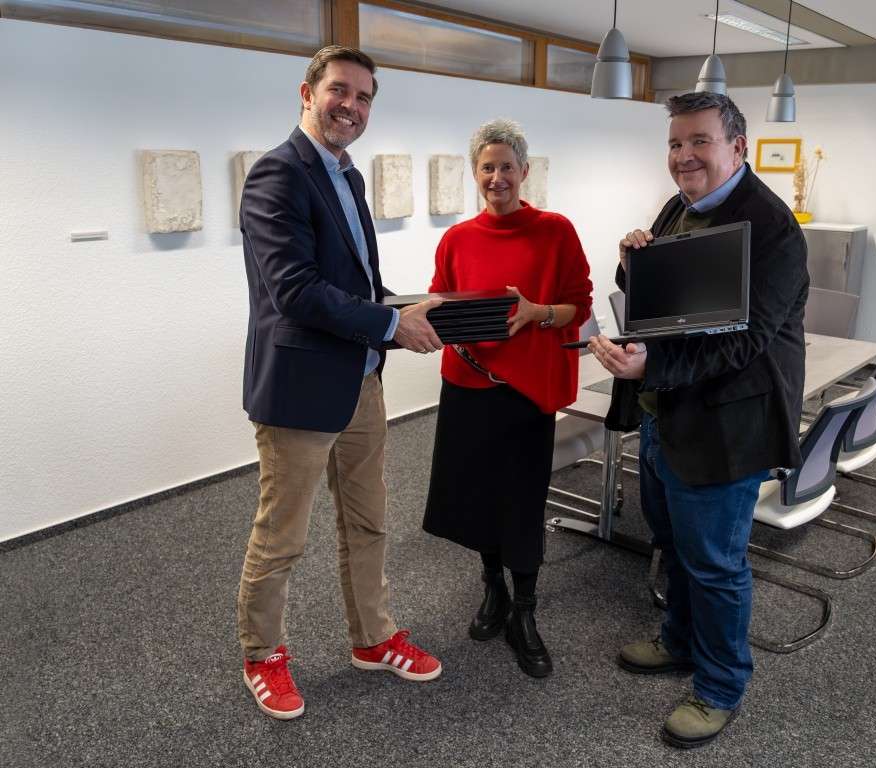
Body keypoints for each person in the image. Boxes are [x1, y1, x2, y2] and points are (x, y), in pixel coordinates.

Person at [589, 92, 808, 748]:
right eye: (675, 143)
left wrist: (650, 367)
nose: (683, 155)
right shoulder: (679, 207)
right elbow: (664, 303)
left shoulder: (772, 229)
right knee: (675, 544)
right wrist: (632, 262)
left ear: (737, 147)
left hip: (725, 425)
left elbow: (744, 342)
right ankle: (680, 640)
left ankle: (720, 686)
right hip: (667, 412)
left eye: (699, 141)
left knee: (714, 563)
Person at [237, 46, 446, 721]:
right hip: (300, 388)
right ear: (308, 93)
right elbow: (296, 291)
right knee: (282, 536)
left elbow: (354, 283)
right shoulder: (278, 173)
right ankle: (263, 655)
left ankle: (373, 637)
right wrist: (391, 324)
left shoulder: (346, 177)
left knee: (369, 521)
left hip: (360, 381)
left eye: (363, 97)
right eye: (339, 91)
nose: (351, 106)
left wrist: (407, 310)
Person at [422, 119, 593, 678]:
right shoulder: (457, 239)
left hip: (525, 392)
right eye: (487, 167)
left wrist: (538, 313)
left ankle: (525, 609)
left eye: (507, 167)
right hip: (468, 387)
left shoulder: (555, 231)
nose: (497, 177)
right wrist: (421, 321)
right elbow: (442, 300)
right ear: (475, 174)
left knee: (521, 501)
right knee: (478, 497)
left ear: (525, 170)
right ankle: (492, 588)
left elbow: (579, 305)